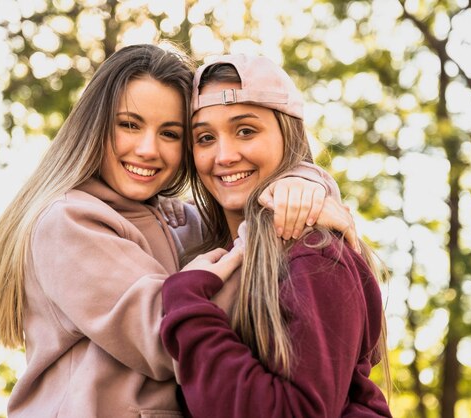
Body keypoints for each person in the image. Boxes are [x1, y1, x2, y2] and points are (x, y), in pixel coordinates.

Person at [0, 44, 356, 417]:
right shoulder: (67, 222)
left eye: (170, 133)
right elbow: (167, 336)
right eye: (129, 125)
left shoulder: (180, 221)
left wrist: (305, 181)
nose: (148, 149)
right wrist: (281, 225)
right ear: (94, 127)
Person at [160, 54, 392, 417]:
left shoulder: (313, 254)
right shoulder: (207, 250)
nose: (224, 156)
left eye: (246, 130)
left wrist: (187, 305)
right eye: (205, 138)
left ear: (288, 133)